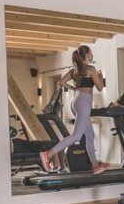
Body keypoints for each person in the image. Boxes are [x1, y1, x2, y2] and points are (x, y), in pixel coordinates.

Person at [39, 45, 108, 175]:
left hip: (75, 102)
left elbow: (61, 82)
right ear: (87, 55)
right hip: (84, 102)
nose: (92, 55)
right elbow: (99, 87)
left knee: (90, 135)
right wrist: (99, 76)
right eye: (91, 53)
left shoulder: (74, 71)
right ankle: (48, 154)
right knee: (76, 136)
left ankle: (94, 164)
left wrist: (73, 89)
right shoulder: (91, 69)